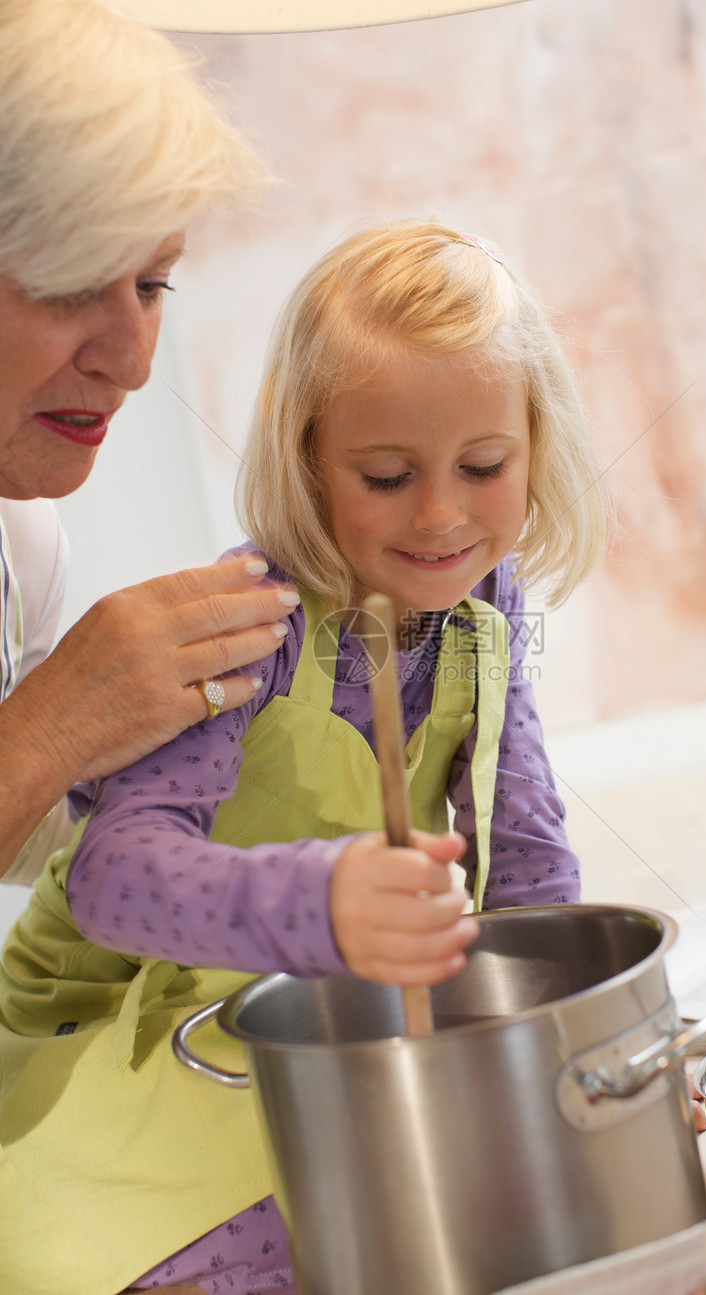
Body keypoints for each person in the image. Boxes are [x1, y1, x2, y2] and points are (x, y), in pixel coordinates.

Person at [0, 221, 606, 1294]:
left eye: (480, 465)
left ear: (535, 448)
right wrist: (321, 902)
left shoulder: (485, 611)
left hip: (322, 1015)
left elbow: (523, 856)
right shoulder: (248, 624)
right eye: (383, 474)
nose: (437, 514)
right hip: (129, 1026)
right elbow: (111, 875)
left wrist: (576, 1048)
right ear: (307, 462)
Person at [0, 0, 300, 883]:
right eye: (67, 288)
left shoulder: (25, 540)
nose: (132, 363)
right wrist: (54, 724)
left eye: (152, 282)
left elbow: (34, 847)